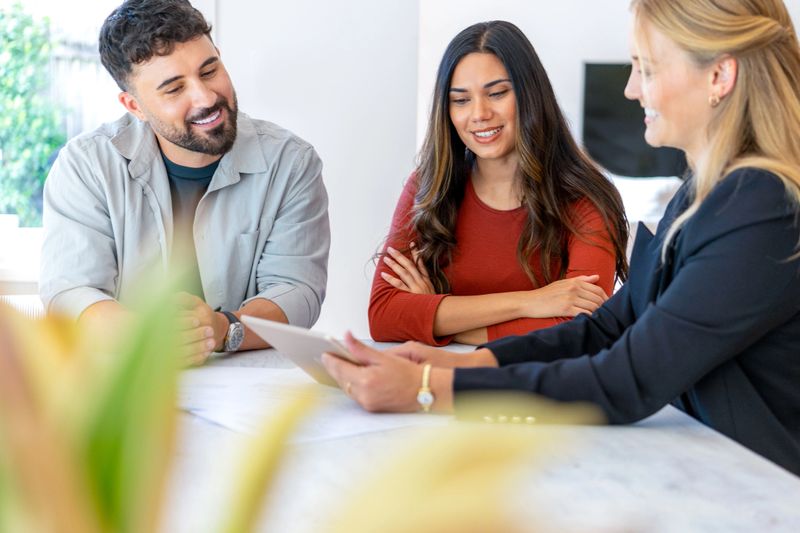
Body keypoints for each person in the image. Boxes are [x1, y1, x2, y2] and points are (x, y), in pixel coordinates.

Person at [324, 0, 800, 477]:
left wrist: (428, 388)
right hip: (710, 470)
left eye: (647, 69)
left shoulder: (762, 206)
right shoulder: (704, 195)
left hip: (763, 491)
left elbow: (628, 378)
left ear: (720, 77)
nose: (632, 89)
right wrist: (462, 365)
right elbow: (605, 330)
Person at [39, 0, 330, 364]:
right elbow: (71, 291)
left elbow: (297, 290)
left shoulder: (292, 162)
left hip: (245, 387)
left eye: (209, 71)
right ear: (134, 106)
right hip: (123, 381)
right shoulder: (86, 165)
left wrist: (223, 328)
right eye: (174, 89)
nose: (206, 98)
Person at [368, 21, 629, 346]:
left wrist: (438, 316)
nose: (479, 113)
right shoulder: (428, 185)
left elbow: (581, 328)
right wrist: (532, 302)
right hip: (436, 381)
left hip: (535, 388)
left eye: (497, 93)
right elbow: (384, 316)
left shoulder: (584, 198)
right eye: (460, 100)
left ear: (530, 94)